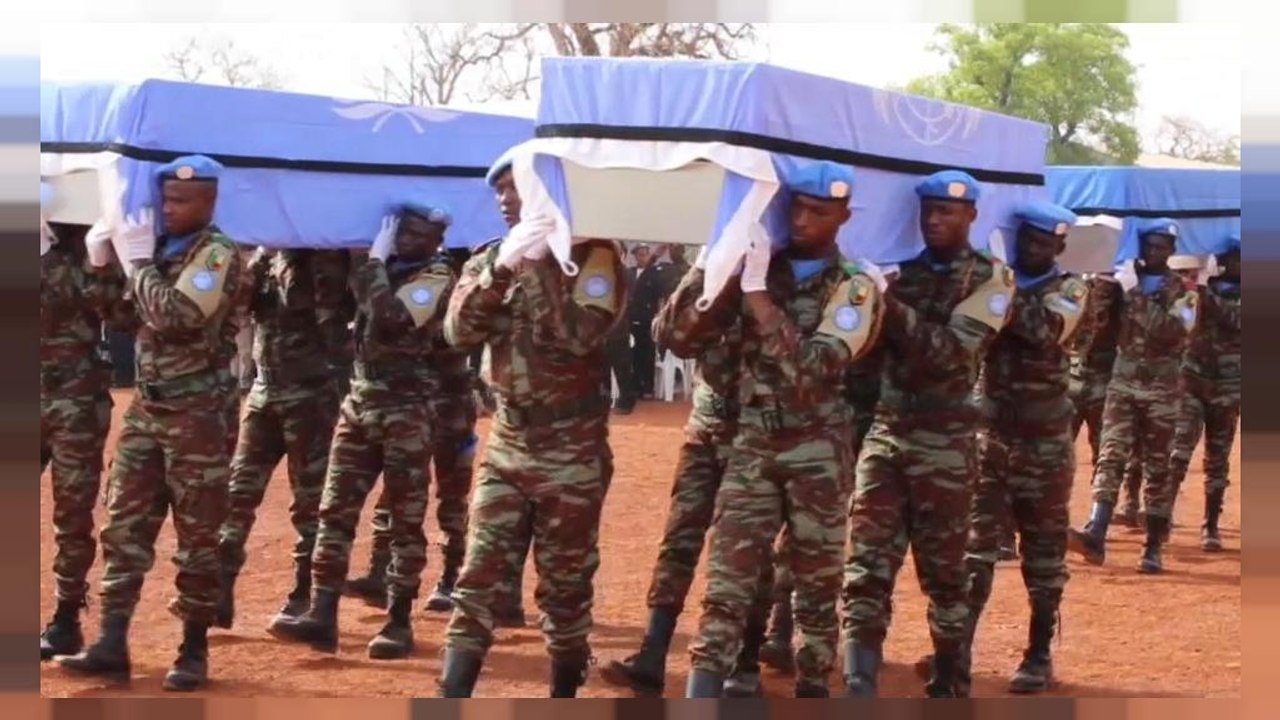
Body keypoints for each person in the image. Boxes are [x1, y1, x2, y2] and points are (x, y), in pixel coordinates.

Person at [683, 162, 883, 698]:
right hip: (753, 440)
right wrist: (714, 263)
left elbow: (814, 370)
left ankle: (813, 690)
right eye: (795, 207)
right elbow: (678, 335)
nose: (802, 219)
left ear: (844, 216)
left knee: (815, 591)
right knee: (727, 582)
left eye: (818, 211)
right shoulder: (760, 266)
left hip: (818, 449)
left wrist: (757, 298)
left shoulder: (856, 287)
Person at [437, 158, 627, 698]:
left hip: (572, 448)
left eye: (516, 188)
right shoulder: (493, 258)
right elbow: (457, 332)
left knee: (563, 589)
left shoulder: (594, 257)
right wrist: (502, 270)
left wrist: (542, 264)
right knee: (476, 581)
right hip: (508, 443)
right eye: (498, 191)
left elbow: (580, 335)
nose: (504, 200)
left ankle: (564, 689)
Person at [58, 155, 244, 691]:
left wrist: (137, 266)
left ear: (208, 202)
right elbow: (120, 319)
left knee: (197, 533)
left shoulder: (217, 253)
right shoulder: (163, 252)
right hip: (148, 410)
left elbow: (180, 316)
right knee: (124, 526)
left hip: (199, 415)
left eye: (180, 201)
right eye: (164, 199)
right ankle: (111, 641)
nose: (168, 208)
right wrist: (100, 263)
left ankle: (192, 648)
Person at [840, 170, 1014, 698]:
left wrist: (886, 305)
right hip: (889, 433)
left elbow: (951, 354)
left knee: (943, 571)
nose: (935, 220)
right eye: (929, 211)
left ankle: (949, 679)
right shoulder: (902, 274)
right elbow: (865, 364)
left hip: (946, 440)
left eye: (948, 212)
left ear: (972, 217)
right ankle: (858, 683)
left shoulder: (992, 281)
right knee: (866, 563)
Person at [269, 204, 456, 660]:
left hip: (406, 410)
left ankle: (397, 621)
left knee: (404, 521)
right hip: (360, 401)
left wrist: (369, 263)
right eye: (401, 231)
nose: (407, 240)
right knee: (334, 511)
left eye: (417, 234)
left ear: (436, 240)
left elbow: (392, 318)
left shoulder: (436, 278)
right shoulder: (380, 268)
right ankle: (323, 612)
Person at [917, 202, 1087, 694]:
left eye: (1043, 243)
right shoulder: (995, 283)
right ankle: (957, 655)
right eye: (1026, 241)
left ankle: (1037, 653)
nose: (1033, 250)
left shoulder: (1071, 291)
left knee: (1043, 554)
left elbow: (1044, 332)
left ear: (1058, 246)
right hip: (990, 437)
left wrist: (1001, 288)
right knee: (972, 552)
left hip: (1045, 443)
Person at [598, 245, 744, 697]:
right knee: (679, 540)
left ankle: (748, 661)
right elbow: (668, 334)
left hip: (761, 437)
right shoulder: (712, 275)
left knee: (746, 554)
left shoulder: (781, 278)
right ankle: (652, 652)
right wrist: (704, 269)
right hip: (706, 430)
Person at [344, 247, 480, 615]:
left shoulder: (451, 282)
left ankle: (452, 576)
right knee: (397, 490)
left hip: (450, 399)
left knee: (452, 494)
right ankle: (378, 570)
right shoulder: (416, 276)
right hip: (413, 401)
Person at [213, 247, 341, 633]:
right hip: (263, 392)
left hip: (309, 396)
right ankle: (219, 590)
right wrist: (258, 257)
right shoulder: (266, 257)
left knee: (310, 502)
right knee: (237, 494)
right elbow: (237, 303)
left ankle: (304, 596)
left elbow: (314, 304)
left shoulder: (324, 258)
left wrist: (287, 256)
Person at [1068, 219, 1199, 574]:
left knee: (1157, 466)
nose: (1153, 252)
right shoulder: (1126, 284)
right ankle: (1096, 530)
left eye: (1160, 247)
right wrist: (1105, 287)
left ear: (1172, 251)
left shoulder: (1185, 293)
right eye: (1148, 245)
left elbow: (1171, 331)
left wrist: (1136, 293)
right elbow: (1095, 327)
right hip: (1123, 383)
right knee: (1110, 456)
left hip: (1162, 389)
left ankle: (1153, 546)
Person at [39, 197, 129, 660]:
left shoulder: (86, 246)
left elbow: (121, 317)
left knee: (72, 514)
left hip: (75, 401)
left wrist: (95, 257)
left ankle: (65, 619)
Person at [1166, 235, 1240, 551]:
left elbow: (1236, 320)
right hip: (1191, 381)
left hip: (1228, 387)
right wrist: (1192, 288)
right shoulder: (1196, 290)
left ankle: (1210, 524)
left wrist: (1204, 292)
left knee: (1217, 458)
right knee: (1179, 452)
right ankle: (1162, 514)